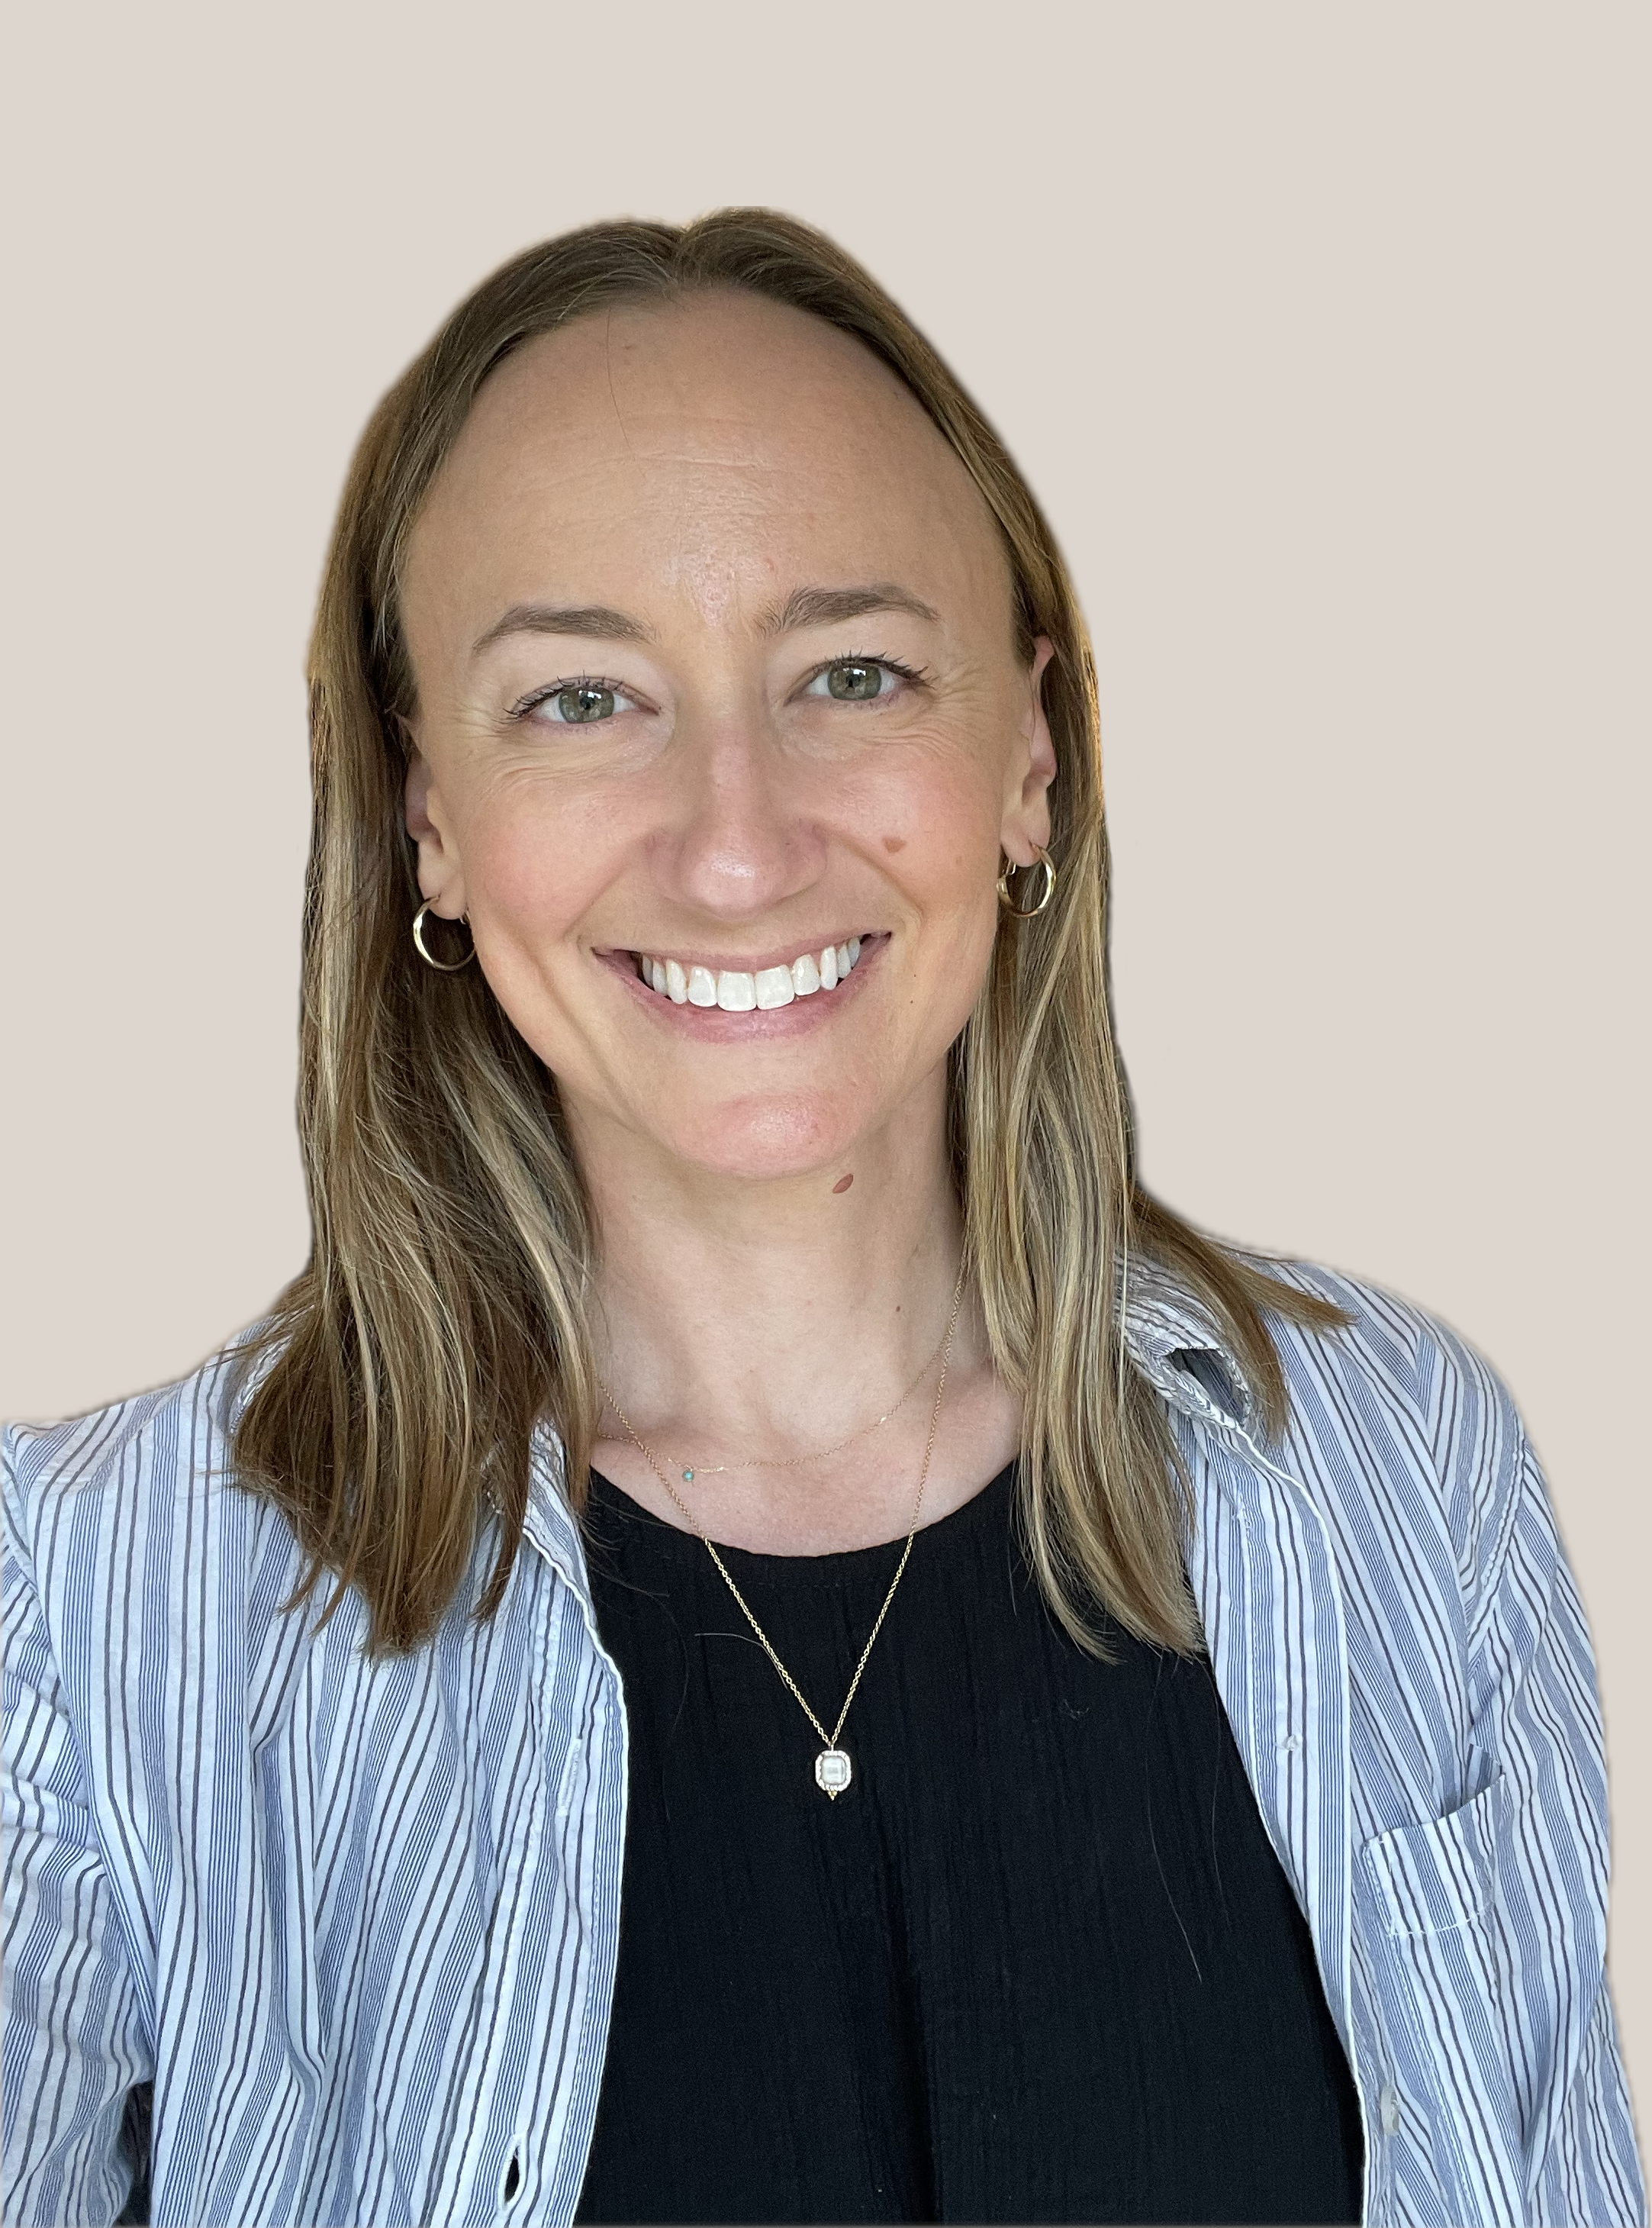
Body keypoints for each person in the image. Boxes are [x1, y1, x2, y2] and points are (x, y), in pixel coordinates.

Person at [2, 209, 1643, 2228]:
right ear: (425, 809)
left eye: (849, 670)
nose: (736, 838)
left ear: (1027, 756)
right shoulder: (85, 1624)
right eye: (581, 700)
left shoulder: (1395, 1467)